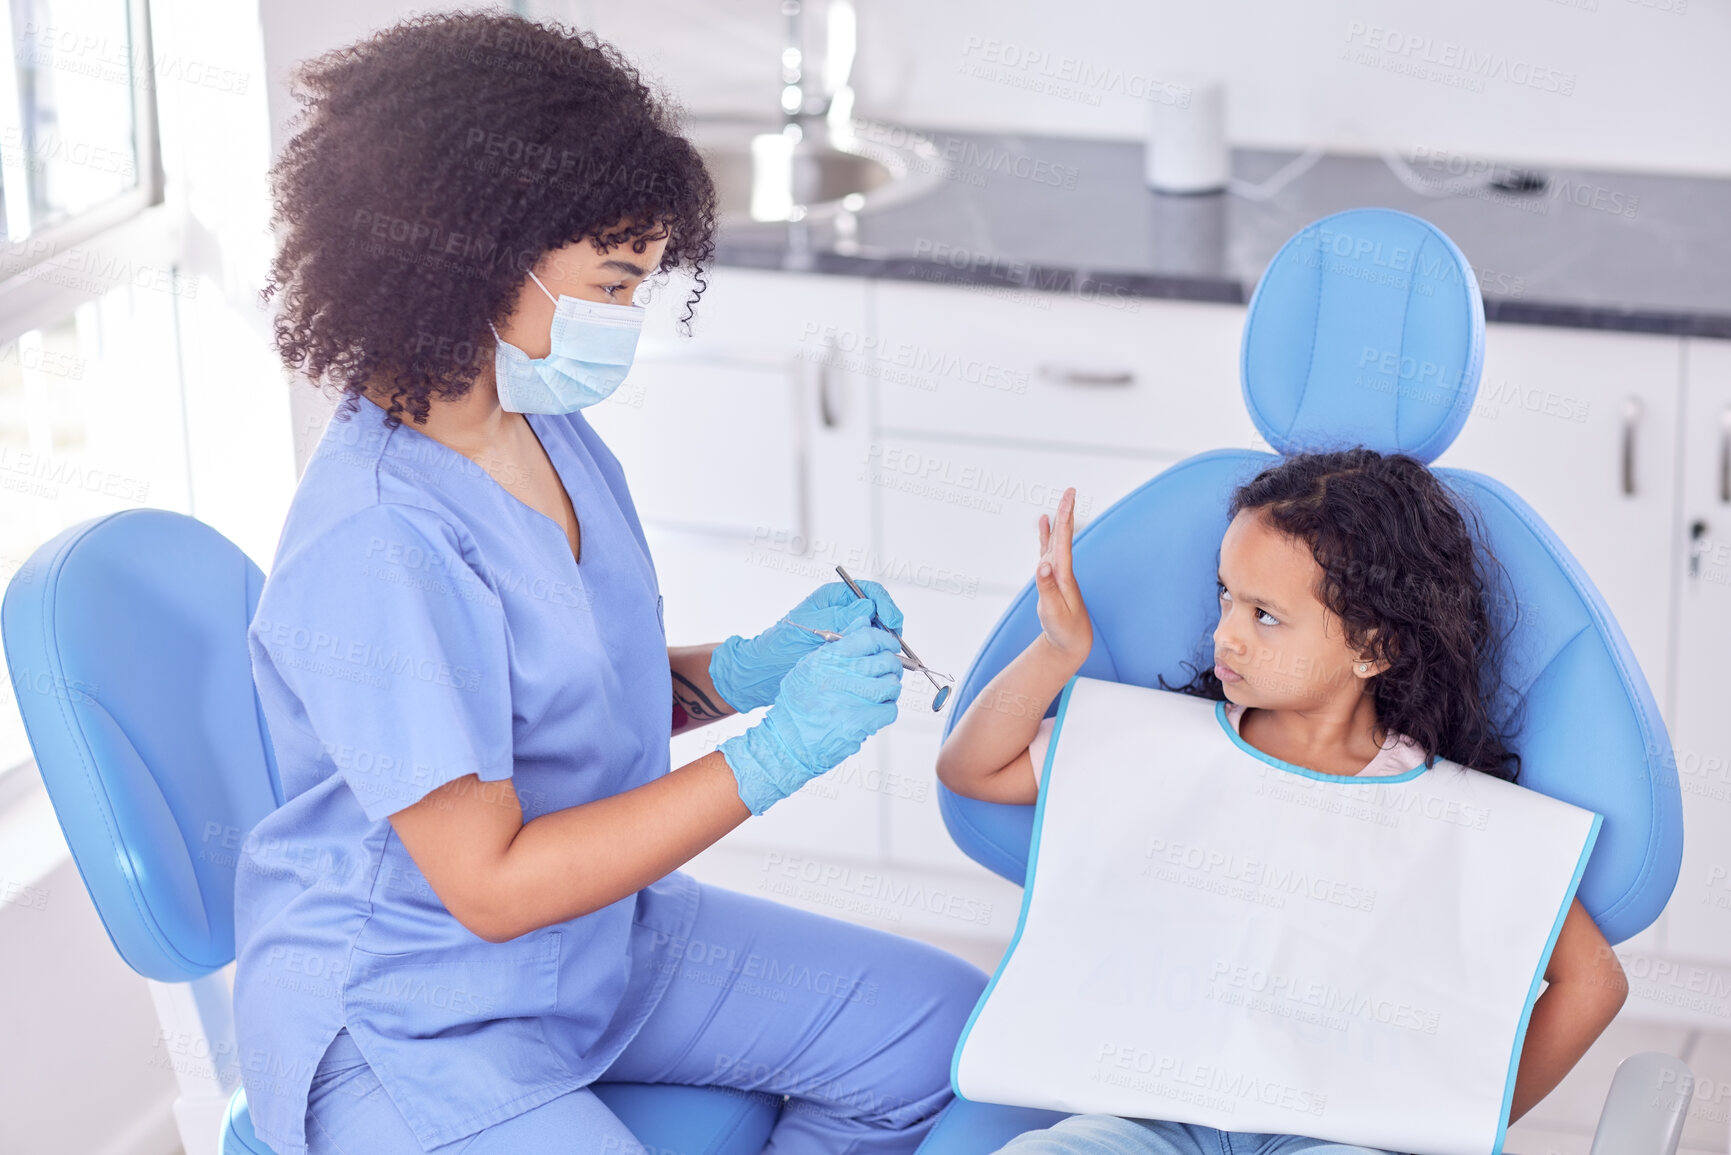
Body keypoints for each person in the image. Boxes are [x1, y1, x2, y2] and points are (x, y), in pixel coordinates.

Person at [232, 11, 985, 1154]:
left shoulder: (540, 428)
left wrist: (745, 673)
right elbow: (486, 887)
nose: (628, 317)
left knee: (940, 1037)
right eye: (614, 280)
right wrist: (775, 756)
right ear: (477, 251)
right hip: (413, 1019)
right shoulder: (378, 544)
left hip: (589, 942)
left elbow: (566, 697)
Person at [935, 453, 1630, 1155]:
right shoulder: (1154, 744)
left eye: (1264, 615)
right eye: (1224, 597)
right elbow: (971, 768)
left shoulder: (1450, 813)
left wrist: (1456, 1111)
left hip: (1331, 1132)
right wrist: (1059, 649)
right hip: (1143, 1111)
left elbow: (1593, 981)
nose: (1225, 634)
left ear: (1373, 646)